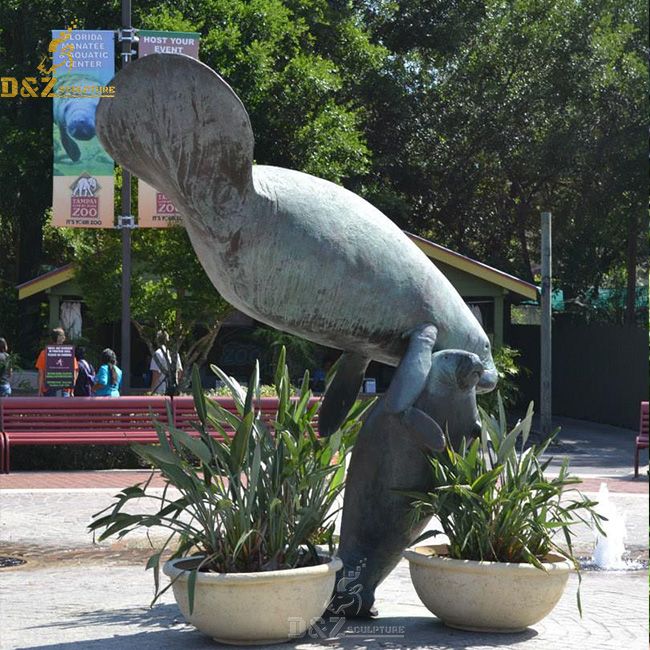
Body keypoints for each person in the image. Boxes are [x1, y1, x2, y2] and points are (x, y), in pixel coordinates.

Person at [35, 327, 78, 397]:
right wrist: (71, 391)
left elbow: (41, 374)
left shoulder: (44, 353)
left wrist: (39, 391)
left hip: (48, 389)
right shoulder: (68, 353)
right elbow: (74, 373)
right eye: (63, 335)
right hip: (64, 389)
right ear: (60, 338)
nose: (65, 337)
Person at [150, 331, 183, 395]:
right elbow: (180, 371)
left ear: (157, 340)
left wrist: (152, 390)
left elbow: (156, 374)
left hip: (160, 391)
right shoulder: (174, 353)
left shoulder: (157, 354)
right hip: (173, 390)